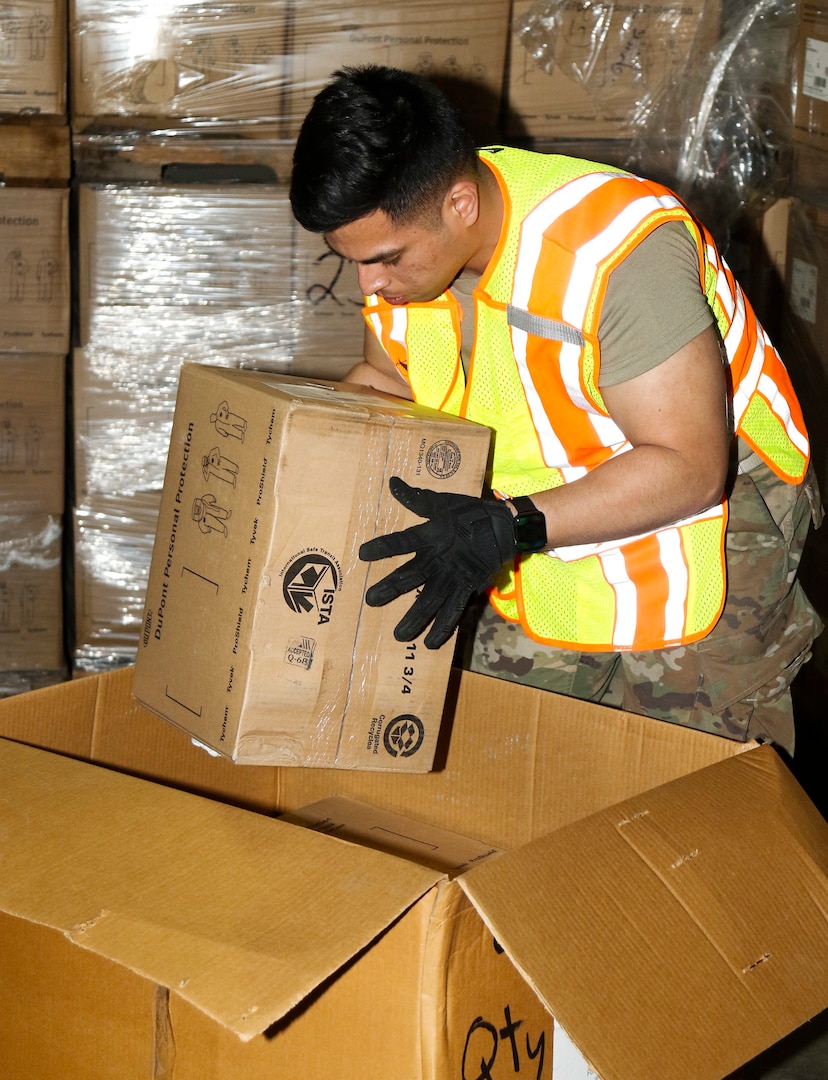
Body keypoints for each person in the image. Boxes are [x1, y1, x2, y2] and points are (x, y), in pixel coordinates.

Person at [289, 64, 823, 754]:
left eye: (385, 259)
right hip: (536, 518)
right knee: (515, 762)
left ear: (459, 203)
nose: (368, 284)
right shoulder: (407, 266)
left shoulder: (615, 251)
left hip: (703, 527)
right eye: (350, 261)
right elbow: (390, 377)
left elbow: (689, 466)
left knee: (693, 796)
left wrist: (508, 526)